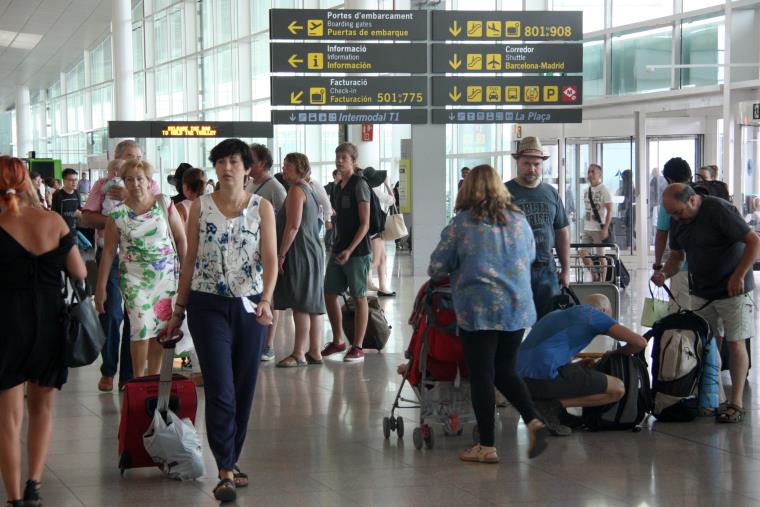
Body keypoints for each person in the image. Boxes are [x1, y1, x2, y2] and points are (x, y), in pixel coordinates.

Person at [165, 138, 276, 503]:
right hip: (206, 304)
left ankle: (232, 457)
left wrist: (266, 300)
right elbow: (191, 258)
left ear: (247, 168)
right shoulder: (201, 207)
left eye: (233, 161)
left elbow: (272, 260)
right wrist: (179, 311)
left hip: (248, 306)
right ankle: (225, 471)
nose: (226, 167)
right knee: (221, 388)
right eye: (220, 162)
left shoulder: (262, 208)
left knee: (243, 388)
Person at [429, 164, 547, 464]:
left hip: (479, 309)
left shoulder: (462, 224)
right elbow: (531, 256)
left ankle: (486, 445)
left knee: (482, 373)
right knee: (505, 368)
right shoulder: (519, 221)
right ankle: (533, 420)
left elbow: (437, 267)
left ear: (467, 189)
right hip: (517, 307)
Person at [0, 156, 86, 507]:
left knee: (8, 418)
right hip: (50, 321)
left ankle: (14, 497)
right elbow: (79, 272)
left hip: (6, 322)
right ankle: (34, 482)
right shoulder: (52, 221)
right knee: (42, 409)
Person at [652, 183, 760, 424]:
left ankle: (736, 403)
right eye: (671, 214)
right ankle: (712, 396)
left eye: (678, 212)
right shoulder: (678, 220)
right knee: (708, 344)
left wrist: (739, 275)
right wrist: (664, 274)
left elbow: (754, 242)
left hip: (734, 290)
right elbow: (678, 257)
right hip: (701, 291)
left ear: (692, 201)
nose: (675, 218)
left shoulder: (718, 211)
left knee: (735, 343)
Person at [94, 159, 187, 379]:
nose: (135, 184)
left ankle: (153, 379)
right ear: (123, 182)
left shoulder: (164, 204)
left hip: (166, 278)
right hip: (134, 278)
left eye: (140, 179)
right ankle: (138, 379)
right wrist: (100, 287)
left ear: (149, 181)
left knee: (159, 329)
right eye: (129, 179)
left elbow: (181, 240)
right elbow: (108, 252)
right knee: (140, 327)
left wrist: (186, 273)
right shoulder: (117, 215)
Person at [80, 139, 158, 392]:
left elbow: (156, 219)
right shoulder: (102, 185)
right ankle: (108, 369)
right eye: (127, 156)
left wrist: (129, 199)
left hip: (143, 261)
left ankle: (129, 376)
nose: (133, 161)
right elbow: (87, 217)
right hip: (111, 256)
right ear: (116, 158)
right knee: (112, 313)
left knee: (135, 318)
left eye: (137, 156)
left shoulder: (152, 186)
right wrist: (116, 219)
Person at [518, 294, 646, 434]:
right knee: (618, 388)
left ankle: (550, 408)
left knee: (577, 375)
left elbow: (546, 352)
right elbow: (639, 343)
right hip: (541, 379)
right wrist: (614, 353)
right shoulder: (594, 315)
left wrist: (577, 364)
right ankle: (550, 406)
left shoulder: (557, 314)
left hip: (518, 381)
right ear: (603, 311)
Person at [505, 136, 570, 319]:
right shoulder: (503, 193)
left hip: (546, 269)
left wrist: (566, 269)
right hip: (514, 270)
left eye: (536, 164)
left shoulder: (551, 193)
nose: (532, 168)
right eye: (527, 163)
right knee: (513, 325)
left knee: (549, 325)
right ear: (518, 162)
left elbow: (562, 231)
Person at [273, 153, 326, 368]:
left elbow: (293, 226)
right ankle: (314, 351)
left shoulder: (296, 190)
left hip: (300, 252)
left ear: (299, 168)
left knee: (301, 304)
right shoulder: (309, 189)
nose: (284, 169)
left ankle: (298, 354)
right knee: (312, 303)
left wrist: (281, 254)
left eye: (288, 166)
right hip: (312, 250)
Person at [321, 142, 371, 363]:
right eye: (337, 156)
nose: (339, 160)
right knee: (329, 293)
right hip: (339, 249)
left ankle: (358, 346)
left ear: (353, 161)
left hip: (357, 252)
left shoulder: (359, 185)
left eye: (344, 157)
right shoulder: (338, 186)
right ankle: (338, 340)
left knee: (359, 297)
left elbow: (365, 224)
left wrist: (350, 250)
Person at [244, 143, 287, 363]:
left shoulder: (275, 188)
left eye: (250, 158)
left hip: (268, 250)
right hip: (249, 251)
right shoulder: (249, 184)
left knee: (270, 296)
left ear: (261, 162)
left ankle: (268, 344)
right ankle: (256, 340)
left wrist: (279, 253)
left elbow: (285, 221)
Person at [652, 157, 692, 312]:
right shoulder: (701, 195)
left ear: (669, 179)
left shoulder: (671, 198)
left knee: (681, 315)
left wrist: (657, 265)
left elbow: (662, 234)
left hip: (682, 268)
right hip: (709, 270)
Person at [366, 168, 396, 297]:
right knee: (377, 260)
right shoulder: (376, 191)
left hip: (370, 229)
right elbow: (392, 200)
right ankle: (361, 280)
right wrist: (387, 185)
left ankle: (382, 287)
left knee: (382, 257)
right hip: (375, 229)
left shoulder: (365, 189)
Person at [581, 163, 613, 281]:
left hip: (599, 228)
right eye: (589, 172)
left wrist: (605, 228)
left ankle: (603, 281)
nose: (590, 174)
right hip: (587, 227)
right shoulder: (586, 190)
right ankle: (594, 274)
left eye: (592, 172)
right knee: (583, 252)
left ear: (599, 175)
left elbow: (610, 210)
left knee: (601, 256)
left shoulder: (604, 189)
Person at [51, 168, 82, 234]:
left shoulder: (77, 193)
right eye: (71, 180)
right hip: (61, 232)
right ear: (64, 181)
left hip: (74, 231)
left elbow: (79, 211)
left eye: (76, 180)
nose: (74, 182)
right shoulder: (58, 195)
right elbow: (53, 214)